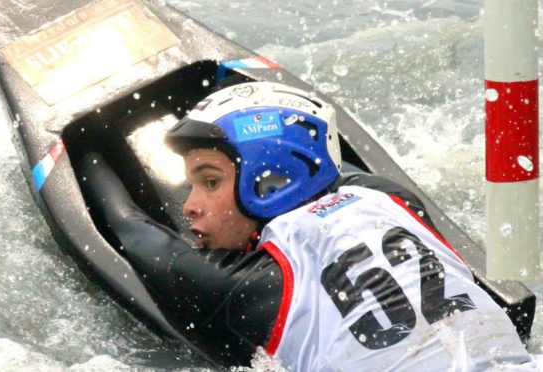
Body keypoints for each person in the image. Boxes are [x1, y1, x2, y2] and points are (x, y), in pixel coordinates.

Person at [80, 82, 536, 371]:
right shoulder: (391, 197)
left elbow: (129, 228)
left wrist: (80, 137)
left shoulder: (240, 286)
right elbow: (330, 168)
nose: (189, 207)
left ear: (271, 181)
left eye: (209, 182)